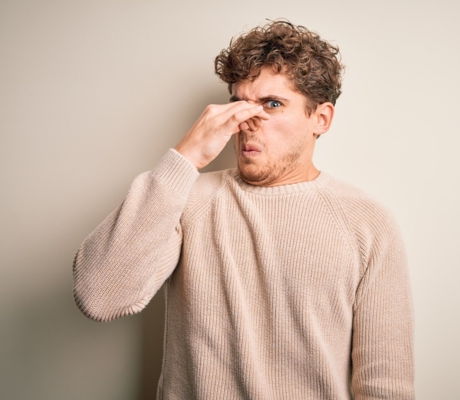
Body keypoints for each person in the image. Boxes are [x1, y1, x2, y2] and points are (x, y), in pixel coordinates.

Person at [73, 20, 414, 399]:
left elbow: (385, 385)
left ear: (321, 119)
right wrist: (185, 158)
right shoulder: (186, 197)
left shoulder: (368, 223)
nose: (247, 121)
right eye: (239, 103)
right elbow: (99, 296)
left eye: (272, 104)